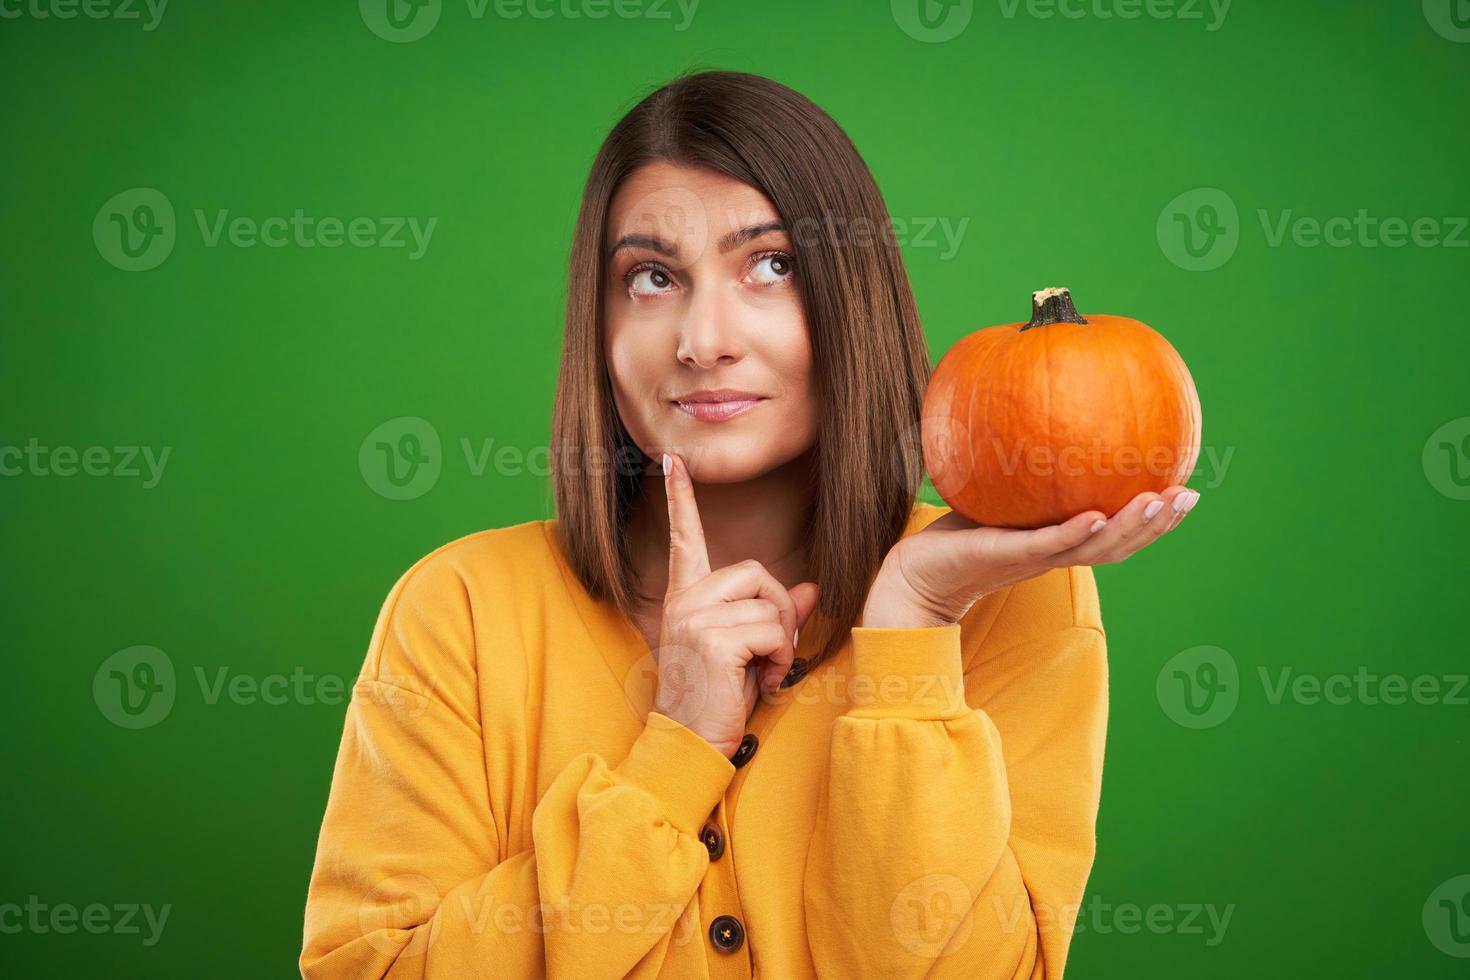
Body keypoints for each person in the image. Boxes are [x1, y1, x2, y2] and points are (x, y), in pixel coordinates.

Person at [299, 68, 1199, 979]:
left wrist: (913, 632)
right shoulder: (459, 609)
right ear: (598, 324)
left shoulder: (1011, 599)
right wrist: (676, 749)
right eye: (651, 277)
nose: (704, 339)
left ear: (854, 297)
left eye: (771, 266)